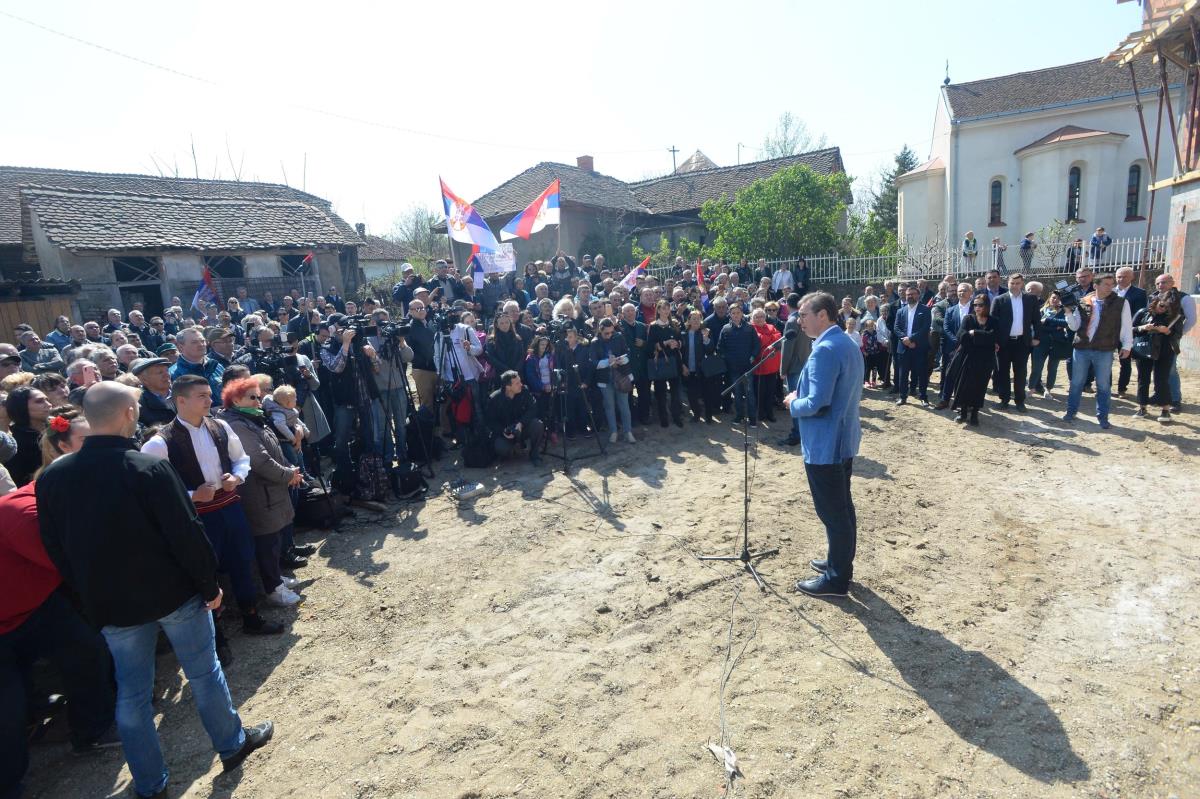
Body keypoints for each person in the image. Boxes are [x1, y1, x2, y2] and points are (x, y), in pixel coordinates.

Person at [37, 382, 274, 799]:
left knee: (132, 695)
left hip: (113, 605)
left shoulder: (53, 477)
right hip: (174, 594)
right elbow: (186, 532)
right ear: (130, 413)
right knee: (203, 673)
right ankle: (232, 744)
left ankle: (150, 785)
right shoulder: (147, 468)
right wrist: (209, 586)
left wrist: (87, 598)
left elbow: (57, 548)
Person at [140, 375, 283, 636]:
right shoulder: (159, 443)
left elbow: (241, 458)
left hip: (230, 506)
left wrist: (237, 477)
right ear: (181, 401)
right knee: (206, 571)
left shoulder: (220, 426)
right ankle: (216, 636)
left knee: (242, 560)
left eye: (209, 394)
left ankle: (251, 617)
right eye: (201, 396)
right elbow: (151, 490)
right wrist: (192, 495)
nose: (209, 400)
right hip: (197, 516)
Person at [786, 292, 863, 598]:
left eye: (803, 315)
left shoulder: (826, 350)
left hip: (826, 445)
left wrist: (793, 403)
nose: (798, 321)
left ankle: (836, 579)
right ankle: (839, 563)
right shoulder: (846, 342)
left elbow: (817, 403)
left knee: (834, 513)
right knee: (842, 508)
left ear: (823, 315)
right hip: (843, 440)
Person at [218, 378, 304, 607]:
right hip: (258, 493)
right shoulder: (238, 424)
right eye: (252, 397)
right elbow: (259, 460)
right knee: (266, 541)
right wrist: (288, 475)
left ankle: (276, 578)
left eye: (259, 396)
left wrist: (289, 469)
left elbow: (274, 449)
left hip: (271, 490)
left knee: (274, 539)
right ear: (236, 400)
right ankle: (272, 588)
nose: (259, 401)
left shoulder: (253, 418)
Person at [1063, 273, 1132, 429]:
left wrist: (1127, 345)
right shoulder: (1084, 301)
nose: (1110, 287)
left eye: (1111, 284)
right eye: (1106, 284)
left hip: (1105, 349)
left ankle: (1102, 417)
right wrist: (1068, 312)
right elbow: (1074, 326)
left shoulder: (1121, 302)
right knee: (1076, 383)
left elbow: (1126, 325)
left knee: (1103, 385)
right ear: (1096, 285)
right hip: (1081, 348)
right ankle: (1071, 412)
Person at [945, 295, 1001, 426]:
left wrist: (974, 333)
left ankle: (975, 413)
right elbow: (962, 336)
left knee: (980, 387)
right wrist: (983, 338)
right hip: (968, 357)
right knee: (964, 386)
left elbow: (994, 337)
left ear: (986, 306)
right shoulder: (968, 318)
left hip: (985, 360)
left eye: (980, 305)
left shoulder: (993, 321)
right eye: (975, 305)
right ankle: (963, 412)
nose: (977, 308)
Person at [989, 273, 1041, 411]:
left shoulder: (1030, 299)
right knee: (1003, 372)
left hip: (1022, 342)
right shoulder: (999, 300)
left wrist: (1037, 337)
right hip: (1003, 343)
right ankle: (1004, 400)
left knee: (1020, 373)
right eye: (1012, 283)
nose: (1015, 286)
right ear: (1008, 283)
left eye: (1017, 283)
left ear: (1022, 283)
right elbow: (993, 323)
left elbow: (1037, 320)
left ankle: (1020, 401)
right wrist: (994, 341)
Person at [590, 318, 636, 442]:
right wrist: (607, 362)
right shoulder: (594, 342)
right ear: (600, 330)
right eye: (606, 333)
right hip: (605, 379)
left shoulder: (618, 337)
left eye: (612, 332)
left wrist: (622, 359)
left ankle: (628, 432)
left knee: (624, 405)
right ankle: (613, 431)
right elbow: (593, 362)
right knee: (609, 406)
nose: (610, 335)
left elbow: (627, 352)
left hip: (621, 375)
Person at [1131, 297, 1177, 421]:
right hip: (1144, 349)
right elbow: (1131, 328)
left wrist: (1167, 331)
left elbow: (1177, 334)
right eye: (1162, 305)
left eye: (1167, 307)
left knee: (1161, 380)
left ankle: (1165, 410)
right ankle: (1142, 408)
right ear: (1155, 303)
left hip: (1164, 351)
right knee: (1143, 379)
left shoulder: (1173, 317)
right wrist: (1143, 327)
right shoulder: (1143, 312)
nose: (1164, 309)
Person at [486, 370, 543, 465]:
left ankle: (534, 454)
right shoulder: (495, 399)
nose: (521, 384)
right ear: (508, 387)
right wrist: (503, 431)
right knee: (501, 448)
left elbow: (533, 409)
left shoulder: (524, 391)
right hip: (505, 433)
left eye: (520, 381)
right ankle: (512, 451)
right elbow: (490, 422)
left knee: (537, 424)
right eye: (517, 383)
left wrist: (521, 423)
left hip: (522, 428)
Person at [718, 304, 760, 425]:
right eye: (733, 313)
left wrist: (753, 356)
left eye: (738, 313)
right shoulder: (725, 329)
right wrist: (727, 358)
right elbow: (720, 347)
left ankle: (752, 418)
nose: (736, 315)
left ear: (742, 313)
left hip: (748, 367)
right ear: (730, 315)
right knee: (737, 393)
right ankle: (739, 416)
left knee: (750, 393)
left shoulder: (750, 328)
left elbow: (756, 345)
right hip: (734, 368)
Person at [1027, 291, 1073, 400]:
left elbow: (1066, 323)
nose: (1055, 300)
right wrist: (1055, 327)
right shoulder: (1041, 310)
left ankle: (1048, 389)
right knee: (1036, 367)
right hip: (1040, 343)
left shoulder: (1064, 311)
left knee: (1052, 368)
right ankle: (1031, 388)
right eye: (1053, 297)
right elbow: (1037, 325)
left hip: (1056, 344)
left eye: (1058, 298)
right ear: (1049, 298)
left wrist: (1048, 320)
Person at [5, 386, 52, 487]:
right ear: (21, 406)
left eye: (47, 400)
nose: (49, 405)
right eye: (39, 401)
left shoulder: (57, 428)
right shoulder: (15, 441)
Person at [647, 300, 684, 428]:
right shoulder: (653, 326)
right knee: (661, 392)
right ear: (658, 310)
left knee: (675, 392)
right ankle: (663, 418)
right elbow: (650, 346)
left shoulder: (673, 324)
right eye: (663, 308)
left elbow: (681, 341)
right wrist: (665, 343)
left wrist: (677, 344)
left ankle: (676, 416)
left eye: (667, 308)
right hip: (660, 362)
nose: (666, 311)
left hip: (674, 362)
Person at [893, 286, 932, 406]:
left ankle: (923, 397)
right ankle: (903, 397)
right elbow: (896, 328)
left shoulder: (925, 310)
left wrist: (911, 339)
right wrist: (905, 339)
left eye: (913, 294)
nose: (910, 296)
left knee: (922, 374)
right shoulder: (901, 311)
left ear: (918, 295)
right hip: (903, 347)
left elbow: (925, 328)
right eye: (908, 294)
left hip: (919, 347)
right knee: (903, 374)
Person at [1114, 266, 1149, 398]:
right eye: (1119, 277)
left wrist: (1129, 328)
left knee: (1125, 361)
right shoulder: (1110, 291)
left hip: (1127, 331)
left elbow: (1139, 314)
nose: (1121, 279)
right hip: (1110, 332)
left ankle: (1122, 388)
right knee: (1106, 360)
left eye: (1125, 277)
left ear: (1132, 277)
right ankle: (1106, 386)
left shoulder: (1139, 293)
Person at [169, 327, 224, 398]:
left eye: (202, 341)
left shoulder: (216, 366)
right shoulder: (173, 374)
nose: (201, 344)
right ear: (180, 347)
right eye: (194, 342)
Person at [750, 309, 782, 423]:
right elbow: (760, 342)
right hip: (759, 367)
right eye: (756, 317)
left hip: (772, 366)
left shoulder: (771, 326)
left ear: (765, 318)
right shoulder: (751, 329)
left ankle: (770, 413)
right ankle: (761, 413)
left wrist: (767, 339)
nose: (759, 319)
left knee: (770, 391)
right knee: (760, 392)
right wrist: (770, 339)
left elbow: (779, 339)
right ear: (752, 318)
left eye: (761, 316)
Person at [132, 357, 176, 426]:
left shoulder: (183, 392)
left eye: (167, 371)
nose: (167, 375)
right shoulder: (138, 404)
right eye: (160, 372)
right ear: (144, 380)